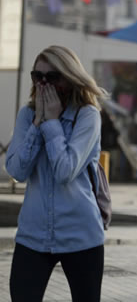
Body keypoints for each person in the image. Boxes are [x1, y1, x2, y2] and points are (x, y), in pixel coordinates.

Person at [6, 45, 107, 302]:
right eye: (37, 76)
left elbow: (65, 171)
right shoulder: (28, 114)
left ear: (70, 78)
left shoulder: (87, 115)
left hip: (80, 234)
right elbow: (16, 170)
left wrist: (51, 123)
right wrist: (37, 124)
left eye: (52, 77)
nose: (43, 84)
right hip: (33, 235)